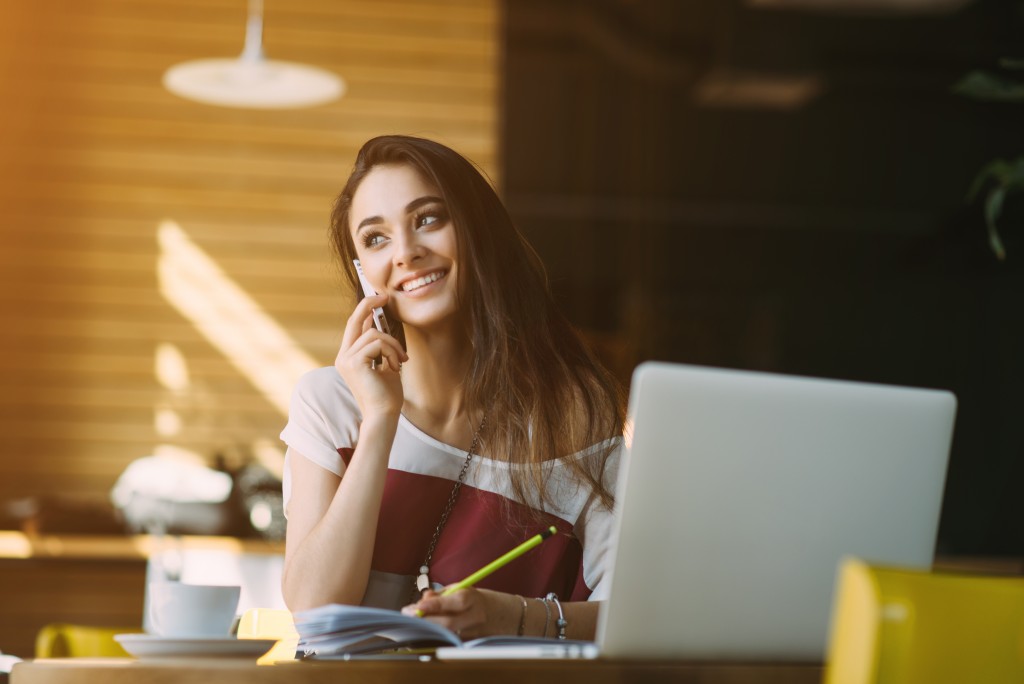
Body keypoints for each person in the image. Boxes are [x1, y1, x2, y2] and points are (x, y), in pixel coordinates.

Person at [280, 135, 625, 640]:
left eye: (428, 219)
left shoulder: (575, 421)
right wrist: (379, 421)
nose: (407, 253)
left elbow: (634, 617)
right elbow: (313, 613)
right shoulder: (330, 403)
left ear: (477, 232)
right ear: (363, 273)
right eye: (376, 239)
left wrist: (509, 615)